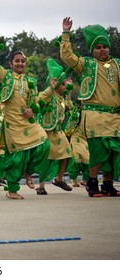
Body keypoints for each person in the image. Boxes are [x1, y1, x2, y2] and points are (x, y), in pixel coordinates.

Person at [0, 25, 51, 200]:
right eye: (17, 61)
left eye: (23, 61)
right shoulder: (5, 76)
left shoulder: (31, 81)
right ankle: (12, 190)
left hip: (28, 122)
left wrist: (33, 109)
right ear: (11, 63)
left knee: (44, 144)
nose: (20, 63)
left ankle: (28, 173)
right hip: (12, 123)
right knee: (15, 158)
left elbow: (36, 100)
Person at [60, 17, 120, 197]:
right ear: (92, 50)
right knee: (98, 151)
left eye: (104, 46)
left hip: (115, 115)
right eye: (98, 47)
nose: (102, 50)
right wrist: (66, 33)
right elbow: (67, 56)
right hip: (94, 114)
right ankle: (92, 183)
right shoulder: (85, 64)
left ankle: (108, 184)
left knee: (114, 152)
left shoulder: (117, 64)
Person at [35, 59, 75, 195]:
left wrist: (68, 91)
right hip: (47, 133)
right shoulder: (48, 95)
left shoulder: (61, 98)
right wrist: (50, 89)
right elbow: (40, 99)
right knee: (46, 159)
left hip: (59, 132)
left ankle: (59, 179)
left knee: (67, 155)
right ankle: (40, 186)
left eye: (65, 84)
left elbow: (70, 106)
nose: (65, 86)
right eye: (62, 83)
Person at [65, 100, 90, 188]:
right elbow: (69, 103)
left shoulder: (89, 113)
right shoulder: (75, 111)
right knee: (76, 159)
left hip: (86, 138)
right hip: (76, 137)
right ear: (79, 105)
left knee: (88, 160)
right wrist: (68, 93)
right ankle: (74, 181)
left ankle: (84, 181)